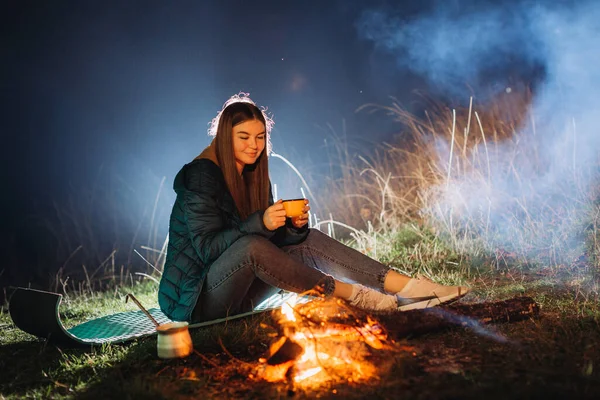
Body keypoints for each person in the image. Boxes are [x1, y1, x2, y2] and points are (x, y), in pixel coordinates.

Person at [158, 94, 468, 322]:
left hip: (238, 293)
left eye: (260, 137)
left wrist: (291, 228)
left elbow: (267, 241)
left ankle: (406, 286)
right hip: (195, 301)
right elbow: (209, 249)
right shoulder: (201, 175)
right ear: (225, 137)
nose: (254, 146)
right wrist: (260, 223)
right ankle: (354, 296)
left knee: (307, 239)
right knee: (251, 245)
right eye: (243, 137)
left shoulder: (251, 172)